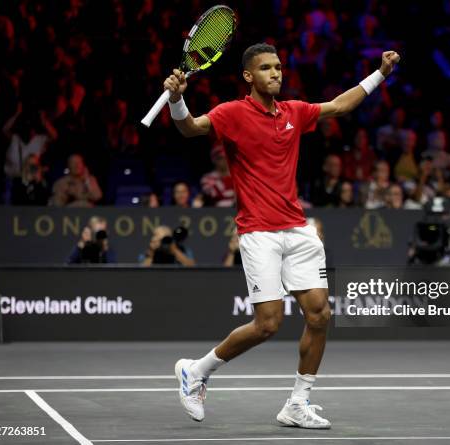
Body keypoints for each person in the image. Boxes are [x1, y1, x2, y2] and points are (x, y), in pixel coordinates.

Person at [162, 42, 399, 428]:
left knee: (320, 314)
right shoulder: (232, 113)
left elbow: (339, 106)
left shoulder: (292, 111)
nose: (276, 73)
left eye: (278, 66)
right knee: (268, 324)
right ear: (248, 76)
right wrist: (176, 100)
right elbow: (190, 128)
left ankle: (297, 403)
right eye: (267, 68)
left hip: (298, 229)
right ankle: (196, 371)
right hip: (258, 233)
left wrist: (381, 74)